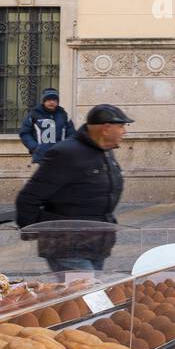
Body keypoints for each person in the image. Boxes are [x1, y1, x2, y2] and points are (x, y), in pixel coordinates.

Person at [15, 104, 131, 272]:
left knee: (87, 295)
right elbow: (29, 198)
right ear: (106, 128)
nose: (124, 131)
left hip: (96, 243)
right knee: (85, 295)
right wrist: (36, 230)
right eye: (120, 126)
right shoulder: (66, 153)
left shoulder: (105, 151)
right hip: (67, 246)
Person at [18, 88, 74, 164]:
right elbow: (25, 133)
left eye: (54, 100)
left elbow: (72, 135)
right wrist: (35, 147)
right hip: (42, 157)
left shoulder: (64, 115)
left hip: (61, 156)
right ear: (43, 101)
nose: (52, 102)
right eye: (48, 99)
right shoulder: (34, 114)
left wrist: (65, 148)